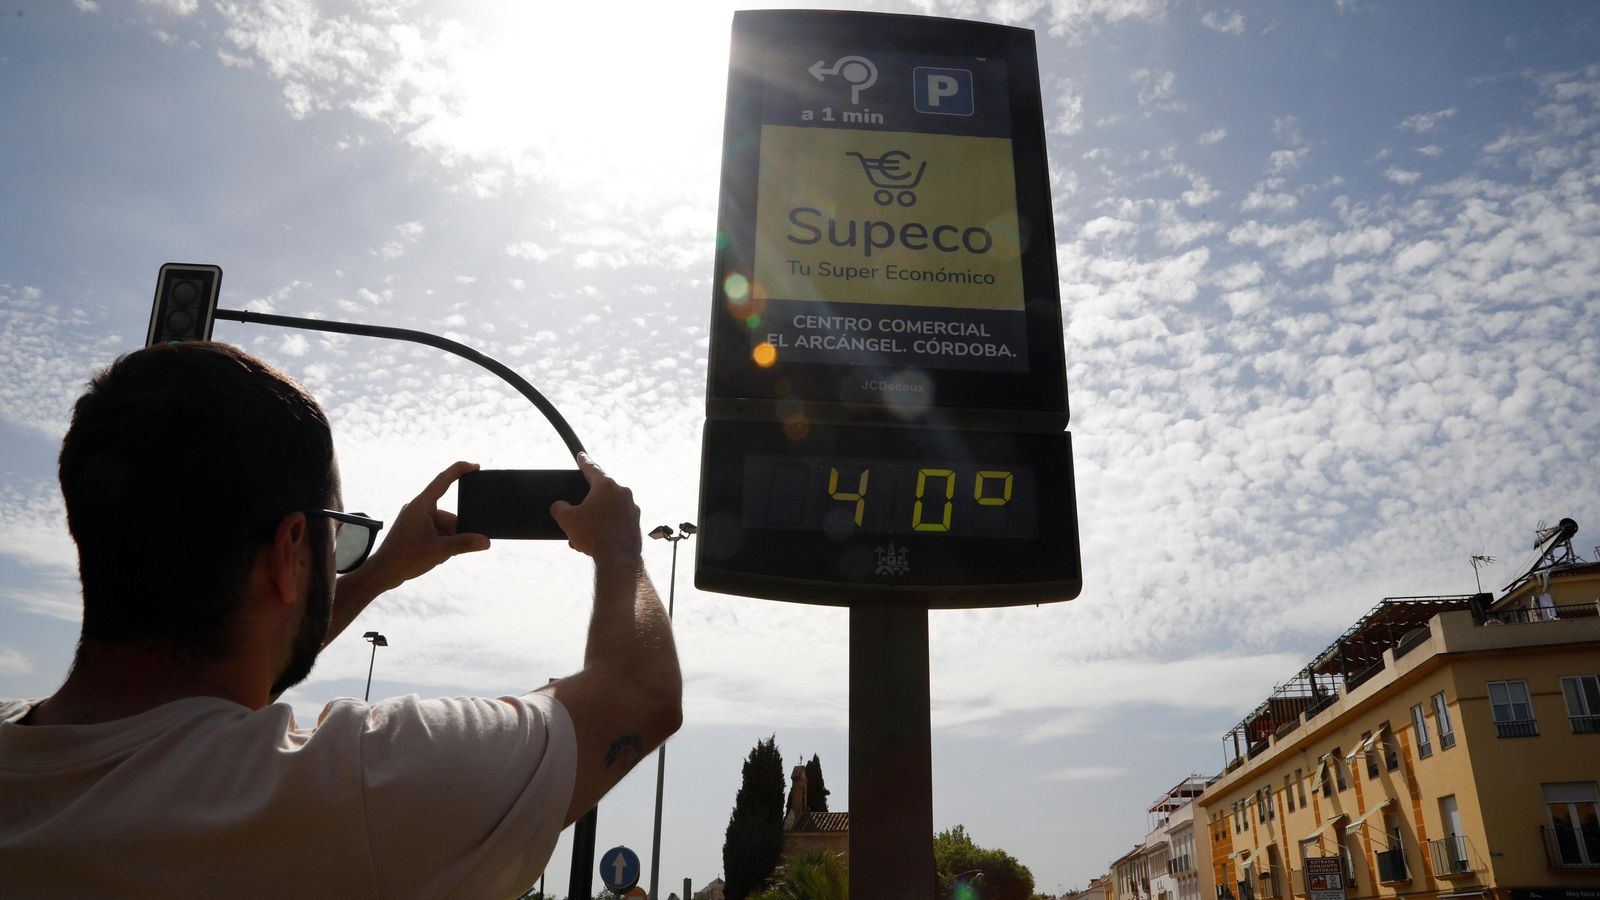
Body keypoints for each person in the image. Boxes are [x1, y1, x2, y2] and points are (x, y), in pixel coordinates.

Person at [0, 341, 682, 898]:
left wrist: (377, 570)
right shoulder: (356, 788)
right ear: (289, 551)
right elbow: (639, 697)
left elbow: (216, 670)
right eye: (335, 534)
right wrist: (619, 546)